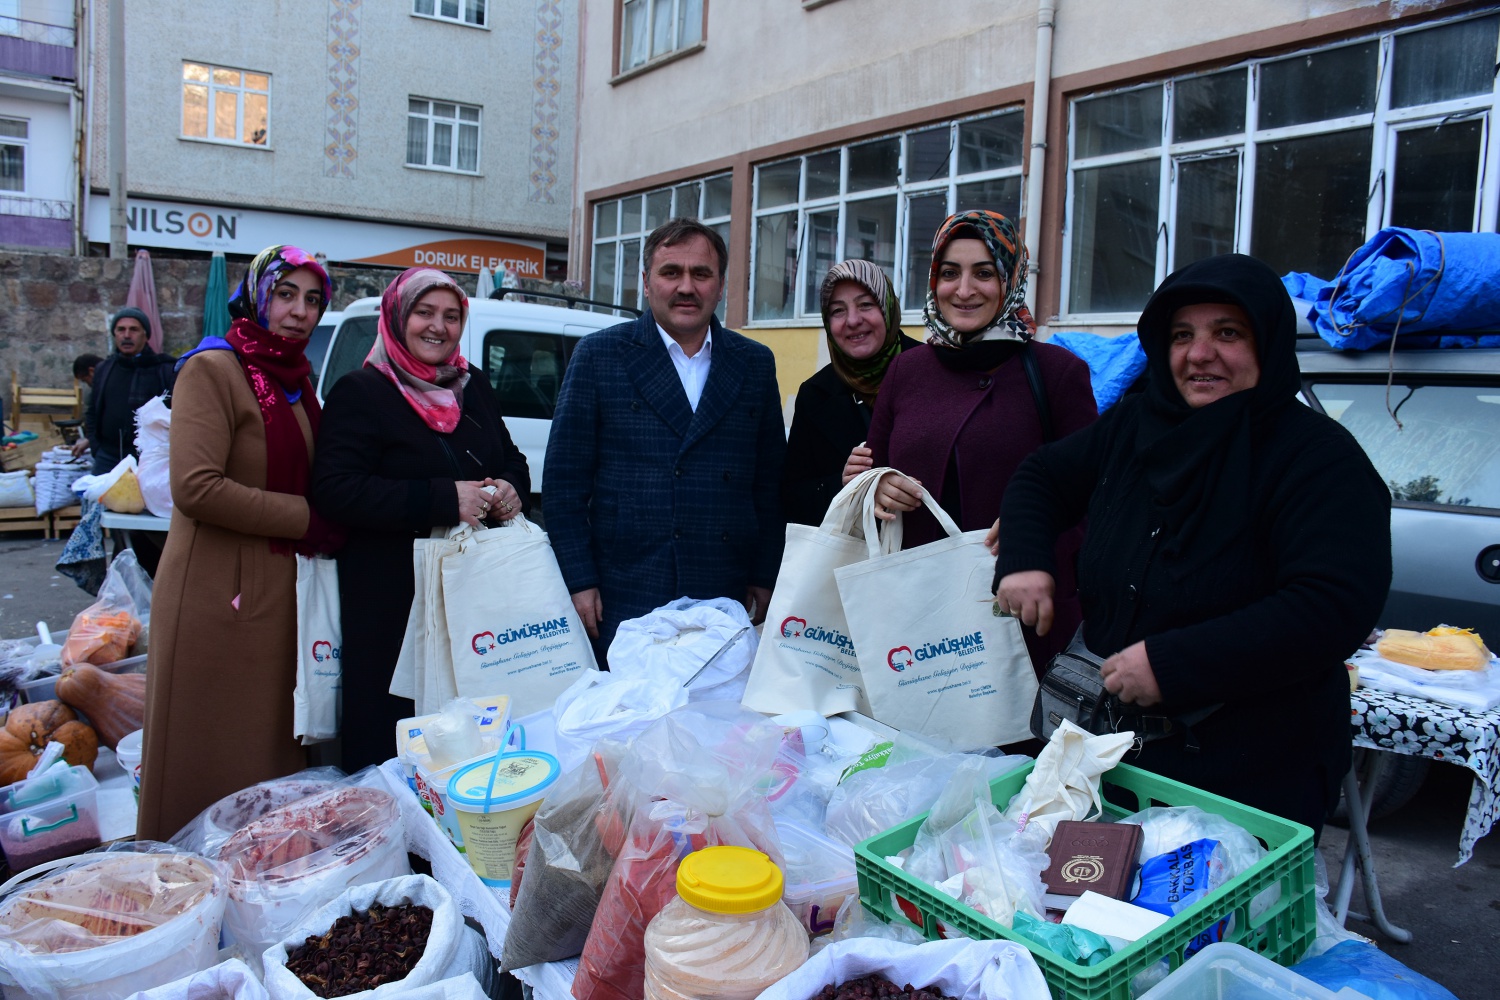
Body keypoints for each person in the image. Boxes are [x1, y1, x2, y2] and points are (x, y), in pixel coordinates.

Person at [995, 253, 1392, 836]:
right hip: (1110, 754)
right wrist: (1026, 558)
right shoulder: (1137, 424)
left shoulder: (1319, 460)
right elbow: (1043, 476)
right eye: (1182, 335)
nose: (1199, 354)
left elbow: (1332, 605)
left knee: (1209, 922)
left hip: (1247, 771)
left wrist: (1176, 664)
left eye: (1227, 333)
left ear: (1269, 342)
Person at [138, 246, 343, 840]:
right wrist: (308, 517)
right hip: (216, 590)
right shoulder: (212, 369)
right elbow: (196, 487)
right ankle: (187, 881)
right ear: (257, 296)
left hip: (278, 588)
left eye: (312, 300)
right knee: (210, 749)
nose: (299, 312)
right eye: (285, 295)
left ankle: (259, 884)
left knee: (266, 749)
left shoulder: (298, 382)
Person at [312, 267, 529, 772]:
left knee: (470, 721)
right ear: (397, 317)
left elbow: (509, 456)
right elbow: (335, 491)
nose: (439, 327)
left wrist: (510, 486)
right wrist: (441, 499)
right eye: (424, 313)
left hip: (470, 594)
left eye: (451, 316)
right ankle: (395, 839)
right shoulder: (361, 393)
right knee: (396, 736)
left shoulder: (472, 386)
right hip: (393, 604)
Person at [544, 217, 786, 660]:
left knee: (715, 721)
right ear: (646, 282)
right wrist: (579, 580)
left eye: (701, 273)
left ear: (721, 284)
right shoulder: (599, 356)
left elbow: (769, 484)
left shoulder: (753, 363)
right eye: (671, 272)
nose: (686, 287)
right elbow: (564, 484)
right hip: (627, 588)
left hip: (724, 587)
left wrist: (765, 574)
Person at [865, 210, 1097, 668]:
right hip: (919, 622)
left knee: (1020, 740)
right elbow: (875, 470)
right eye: (950, 273)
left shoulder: (1057, 373)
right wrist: (877, 486)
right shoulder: (906, 370)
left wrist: (1037, 539)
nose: (964, 290)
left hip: (1023, 617)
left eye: (984, 273)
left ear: (1010, 279)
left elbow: (1096, 497)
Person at [781, 260, 921, 526]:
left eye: (866, 305)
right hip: (851, 560)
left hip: (928, 554)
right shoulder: (815, 394)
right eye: (838, 311)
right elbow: (793, 496)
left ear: (887, 307)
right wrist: (845, 484)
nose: (853, 321)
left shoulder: (932, 372)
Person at [82, 308, 175, 475]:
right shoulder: (104, 369)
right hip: (108, 457)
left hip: (148, 460)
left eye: (133, 329)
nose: (126, 335)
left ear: (145, 335)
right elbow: (92, 412)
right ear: (114, 334)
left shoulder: (164, 370)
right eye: (120, 330)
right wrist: (96, 448)